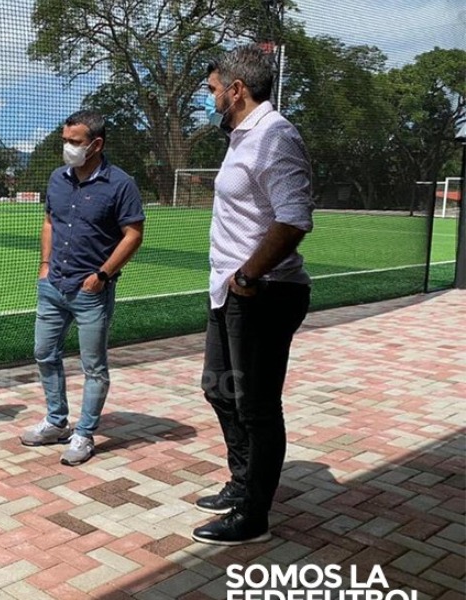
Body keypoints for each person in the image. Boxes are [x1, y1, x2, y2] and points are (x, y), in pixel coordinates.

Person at [192, 45, 314, 545]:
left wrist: (247, 277)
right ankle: (242, 483)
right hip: (231, 290)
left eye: (213, 88)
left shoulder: (274, 137)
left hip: (264, 292)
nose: (210, 96)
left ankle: (253, 513)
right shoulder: (240, 137)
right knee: (218, 388)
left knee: (257, 405)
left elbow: (293, 219)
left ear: (236, 90)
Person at [20, 110, 145, 466]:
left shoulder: (120, 184)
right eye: (65, 141)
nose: (68, 148)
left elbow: (133, 234)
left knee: (93, 367)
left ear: (96, 144)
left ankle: (84, 433)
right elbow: (49, 221)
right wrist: (44, 266)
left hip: (91, 291)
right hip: (53, 284)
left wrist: (102, 276)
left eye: (74, 142)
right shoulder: (57, 179)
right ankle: (56, 421)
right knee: (44, 353)